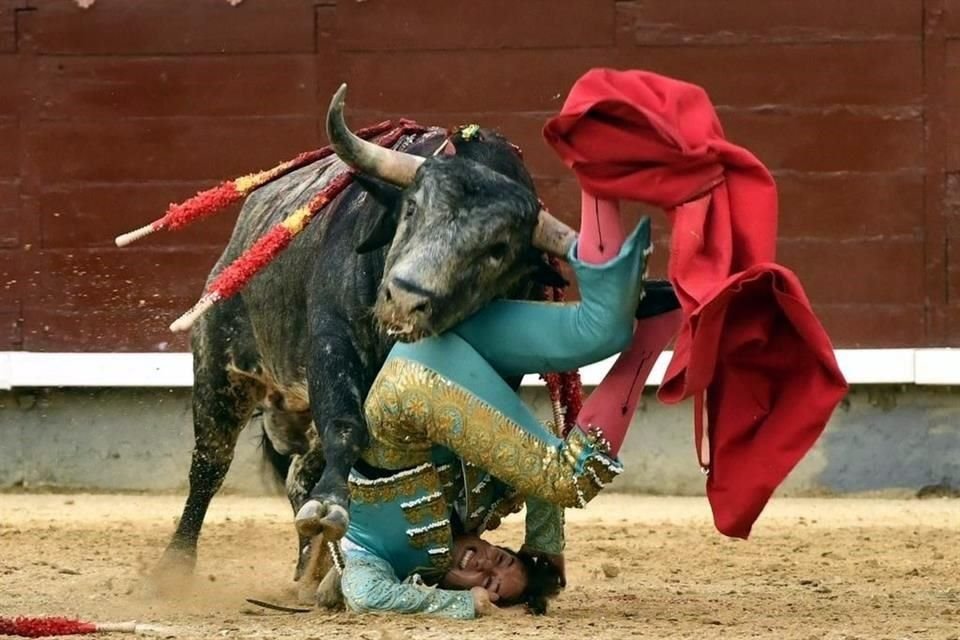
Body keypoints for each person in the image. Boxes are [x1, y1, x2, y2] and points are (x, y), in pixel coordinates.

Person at [332, 187, 683, 618]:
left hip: (407, 390)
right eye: (500, 563)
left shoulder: (375, 558)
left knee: (568, 479)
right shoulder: (484, 505)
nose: (483, 568)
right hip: (443, 348)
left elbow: (366, 595)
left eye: (487, 582)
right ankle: (598, 173)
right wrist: (544, 544)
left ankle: (651, 335)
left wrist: (462, 604)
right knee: (605, 329)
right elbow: (536, 489)